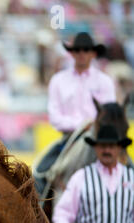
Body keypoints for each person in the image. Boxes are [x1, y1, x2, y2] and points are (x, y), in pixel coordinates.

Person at [34, 32, 117, 195]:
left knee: (127, 170)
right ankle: (42, 211)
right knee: (39, 173)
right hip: (69, 139)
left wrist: (92, 127)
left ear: (93, 53)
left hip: (99, 138)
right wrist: (83, 125)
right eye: (78, 50)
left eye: (86, 50)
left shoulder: (104, 81)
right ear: (71, 53)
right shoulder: (58, 80)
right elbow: (55, 117)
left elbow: (110, 115)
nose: (81, 54)